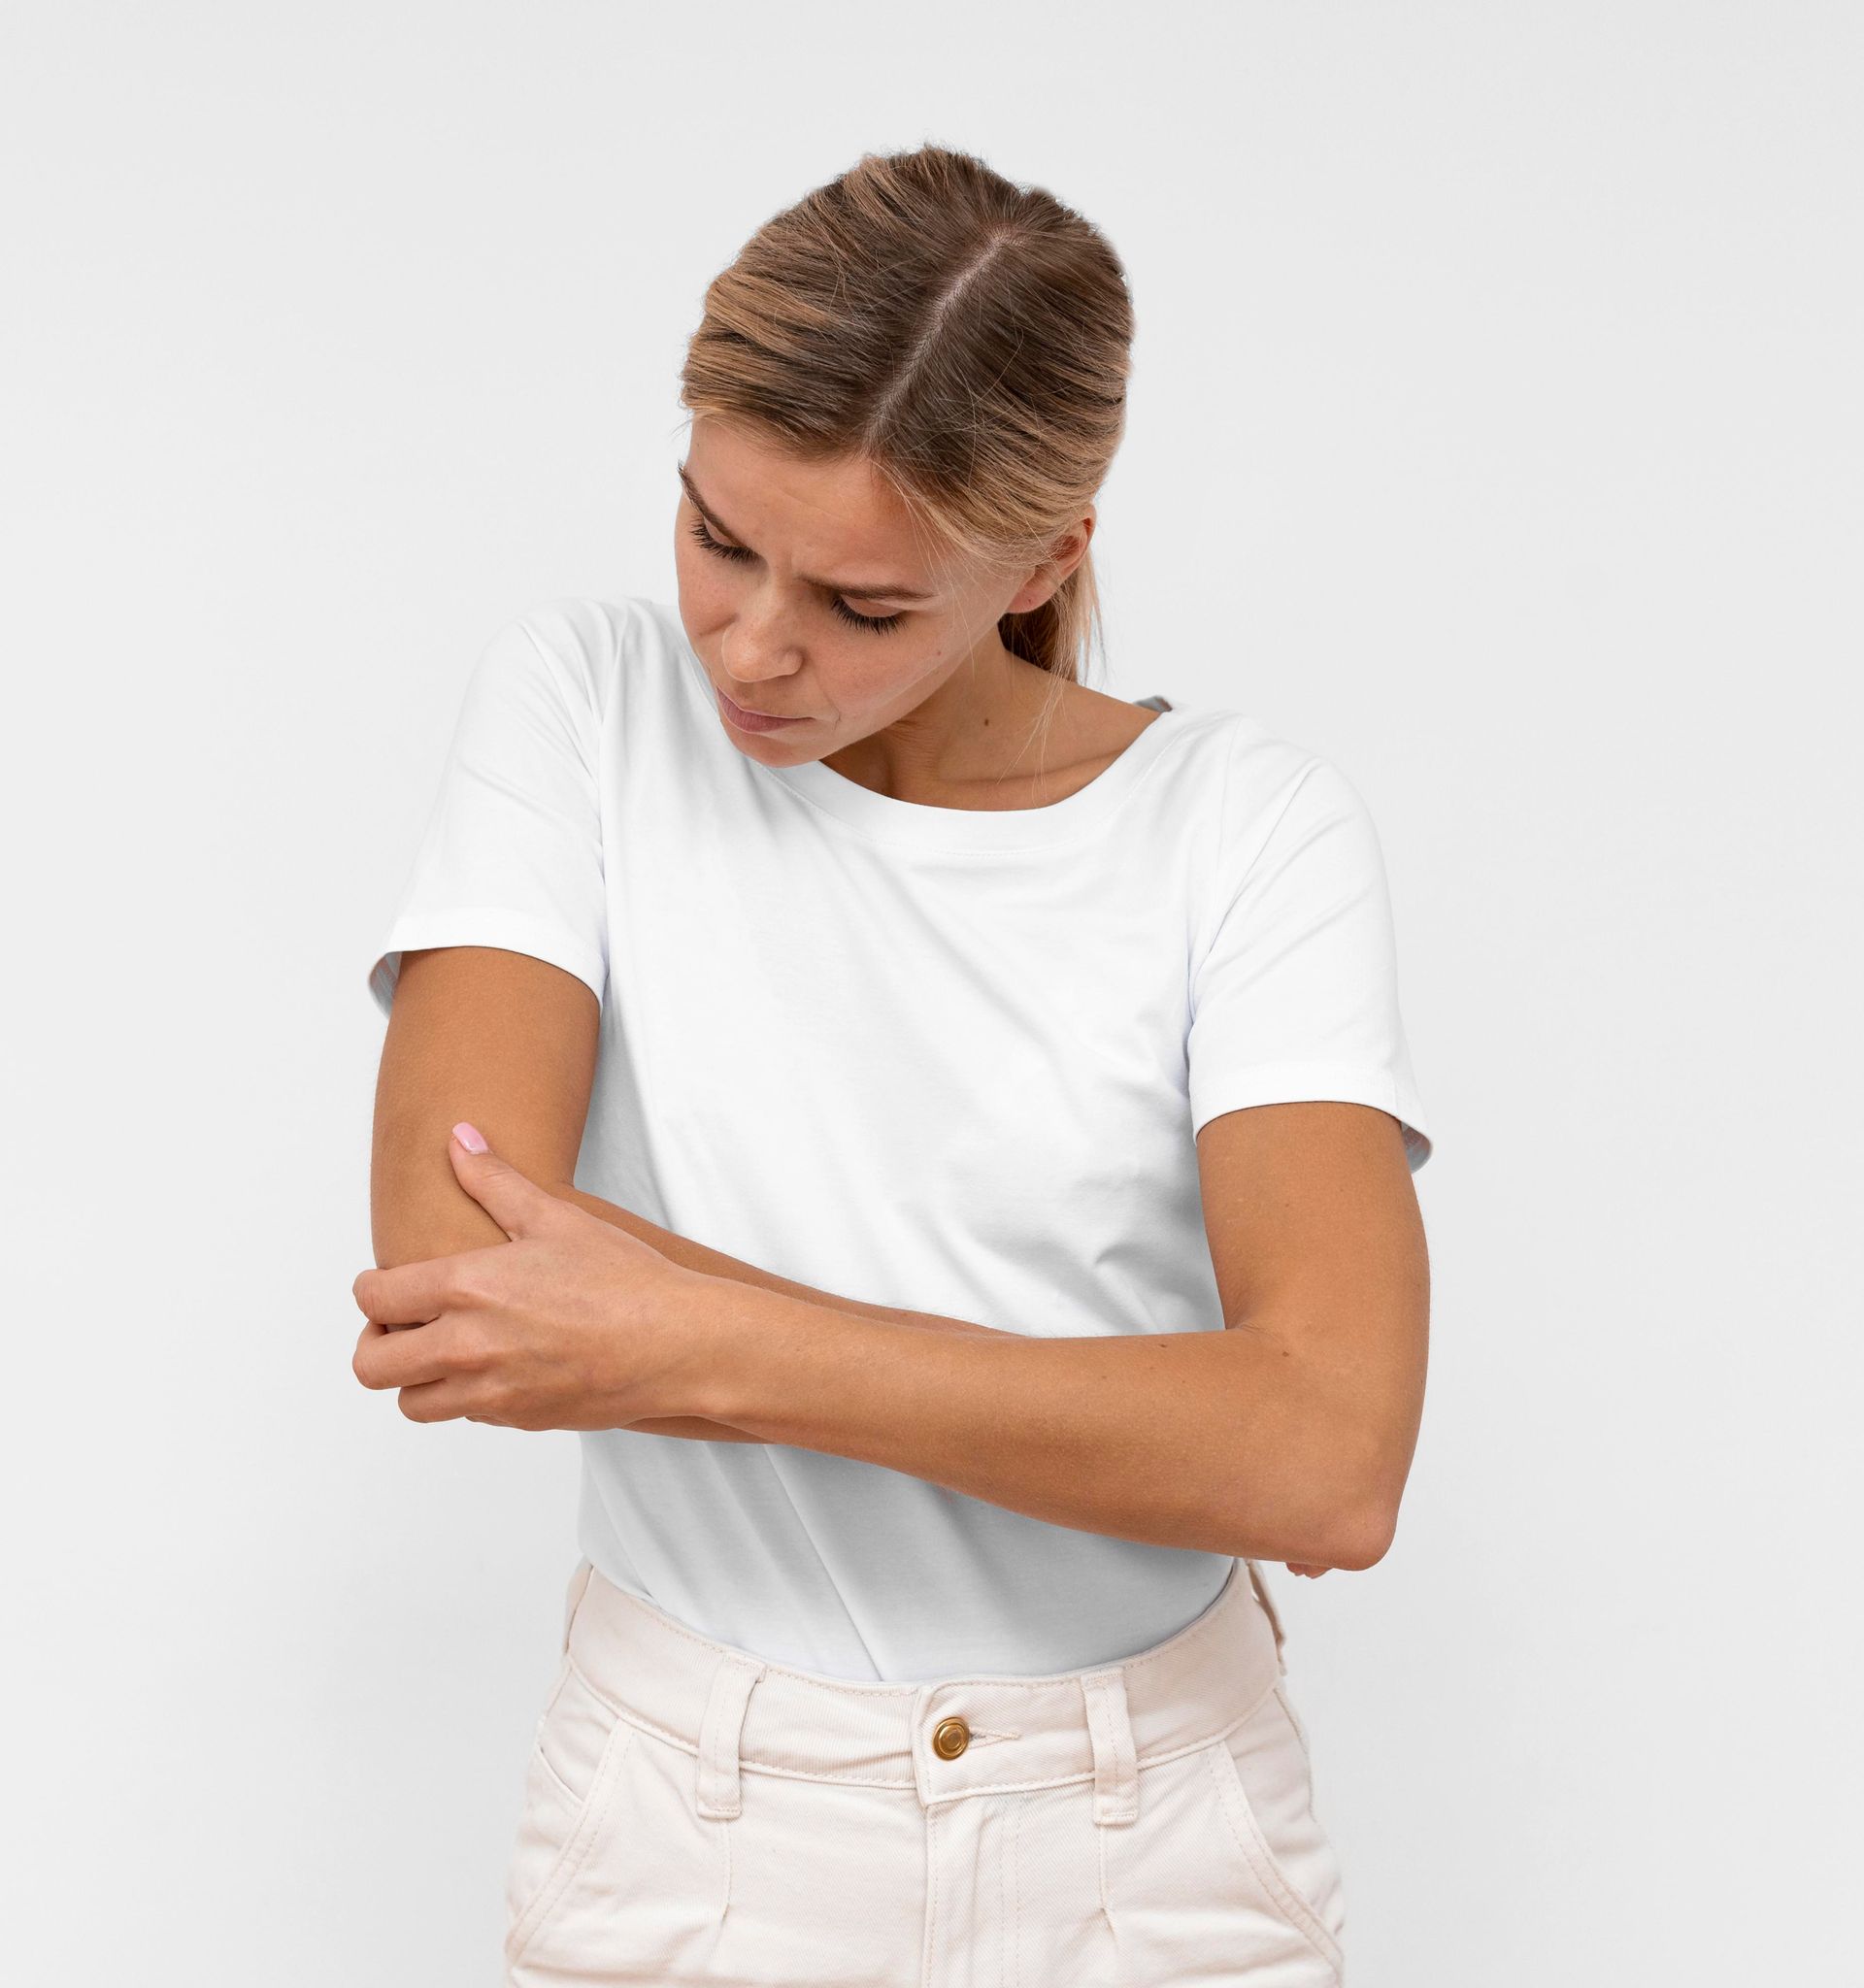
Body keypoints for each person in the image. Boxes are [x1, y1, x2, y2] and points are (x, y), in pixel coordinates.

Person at [353, 143, 1433, 1986]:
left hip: (1152, 1843)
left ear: (1048, 559)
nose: (752, 647)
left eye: (863, 607)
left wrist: (699, 1337)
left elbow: (1329, 1459)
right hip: (694, 1820)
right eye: (714, 536)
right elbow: (459, 1290)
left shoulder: (1242, 830)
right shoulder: (585, 710)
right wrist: (1154, 1416)